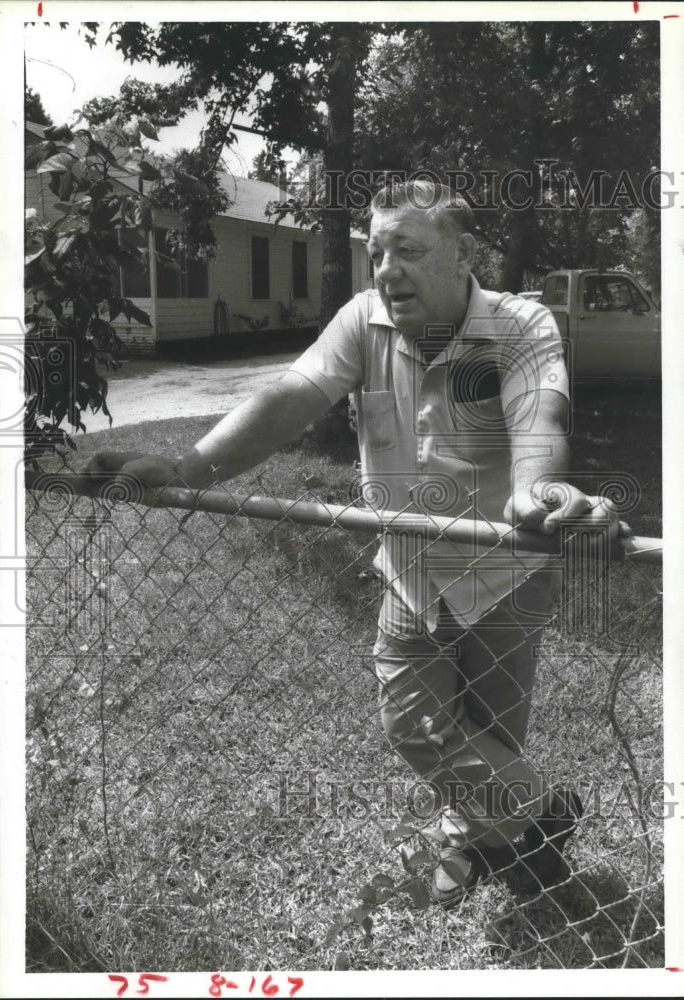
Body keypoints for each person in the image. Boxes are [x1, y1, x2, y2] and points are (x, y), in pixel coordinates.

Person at [87, 180, 627, 907]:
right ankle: (544, 819)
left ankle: (482, 848)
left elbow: (540, 419)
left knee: (490, 733)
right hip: (409, 569)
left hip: (505, 574)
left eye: (407, 249)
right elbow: (292, 394)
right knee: (415, 720)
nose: (384, 268)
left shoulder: (522, 325)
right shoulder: (361, 320)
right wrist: (188, 467)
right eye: (376, 251)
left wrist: (537, 493)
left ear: (463, 252)